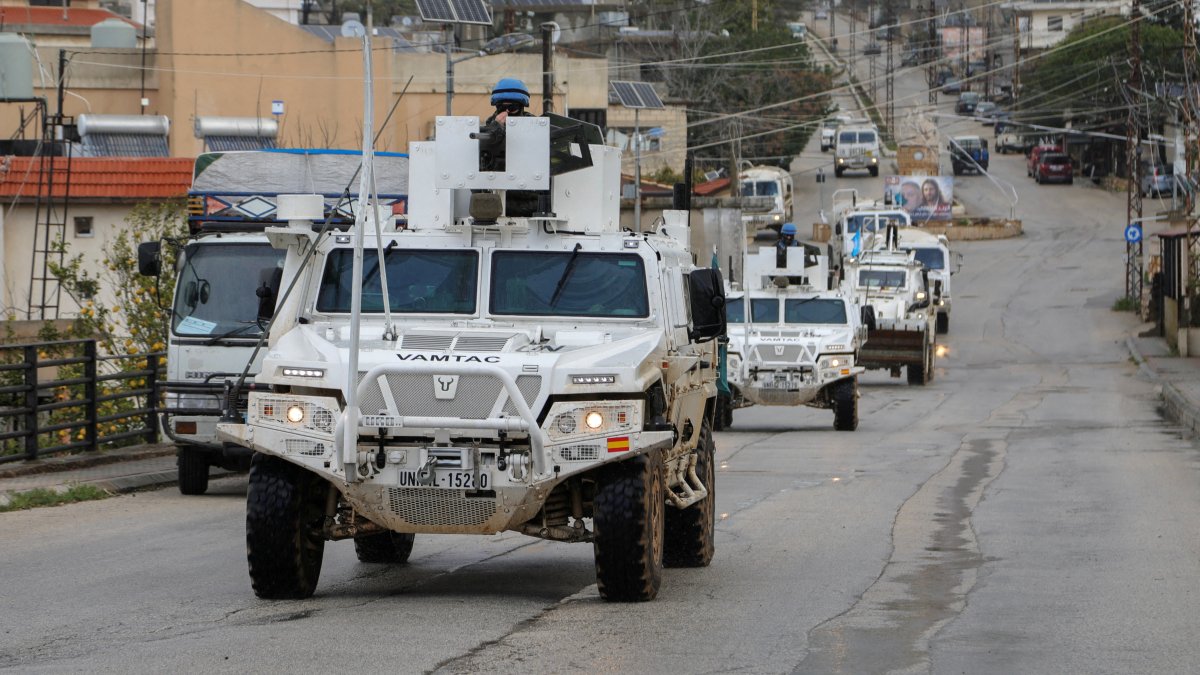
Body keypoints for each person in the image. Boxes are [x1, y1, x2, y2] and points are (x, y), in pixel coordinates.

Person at [479, 77, 533, 172]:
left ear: (521, 107)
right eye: (502, 108)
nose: (507, 111)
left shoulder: (532, 123)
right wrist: (495, 127)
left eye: (512, 107)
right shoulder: (490, 123)